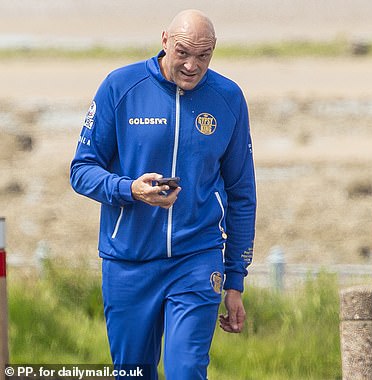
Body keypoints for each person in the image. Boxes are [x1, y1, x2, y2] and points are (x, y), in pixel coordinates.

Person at [70, 9, 256, 379]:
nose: (192, 65)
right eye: (183, 52)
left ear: (214, 51)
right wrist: (130, 189)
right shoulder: (120, 86)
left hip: (196, 259)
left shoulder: (228, 98)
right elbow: (81, 171)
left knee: (186, 371)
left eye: (203, 56)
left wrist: (235, 279)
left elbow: (241, 193)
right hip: (128, 262)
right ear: (164, 41)